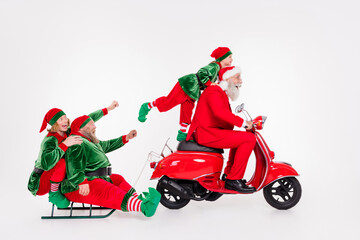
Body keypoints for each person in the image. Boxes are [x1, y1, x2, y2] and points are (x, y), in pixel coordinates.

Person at [61, 113, 161, 217]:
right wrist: (81, 182)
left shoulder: (90, 141)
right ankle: (143, 206)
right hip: (77, 186)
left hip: (97, 177)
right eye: (91, 124)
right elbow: (74, 165)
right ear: (81, 128)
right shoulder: (76, 141)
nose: (95, 126)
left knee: (118, 179)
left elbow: (107, 145)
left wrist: (126, 138)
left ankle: (137, 199)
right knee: (109, 190)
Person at [27, 101, 119, 208]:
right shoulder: (50, 140)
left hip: (58, 175)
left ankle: (71, 187)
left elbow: (87, 120)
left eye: (65, 117)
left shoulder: (67, 132)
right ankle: (54, 193)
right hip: (41, 180)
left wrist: (108, 108)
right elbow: (46, 163)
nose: (65, 120)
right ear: (54, 123)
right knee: (63, 163)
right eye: (61, 119)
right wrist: (65, 144)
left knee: (75, 160)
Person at [138, 47, 233, 141]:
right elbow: (201, 73)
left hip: (194, 90)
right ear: (222, 57)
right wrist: (210, 83)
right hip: (188, 83)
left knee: (187, 109)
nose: (231, 59)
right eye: (229, 57)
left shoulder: (218, 69)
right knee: (168, 103)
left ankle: (182, 133)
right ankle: (147, 106)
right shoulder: (215, 66)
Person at [186, 66, 257, 193]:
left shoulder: (220, 93)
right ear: (227, 79)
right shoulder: (214, 91)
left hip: (210, 131)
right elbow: (220, 112)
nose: (240, 81)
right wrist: (243, 123)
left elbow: (222, 117)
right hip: (206, 133)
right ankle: (234, 179)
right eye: (237, 77)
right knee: (249, 138)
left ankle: (228, 175)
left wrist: (242, 124)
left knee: (239, 138)